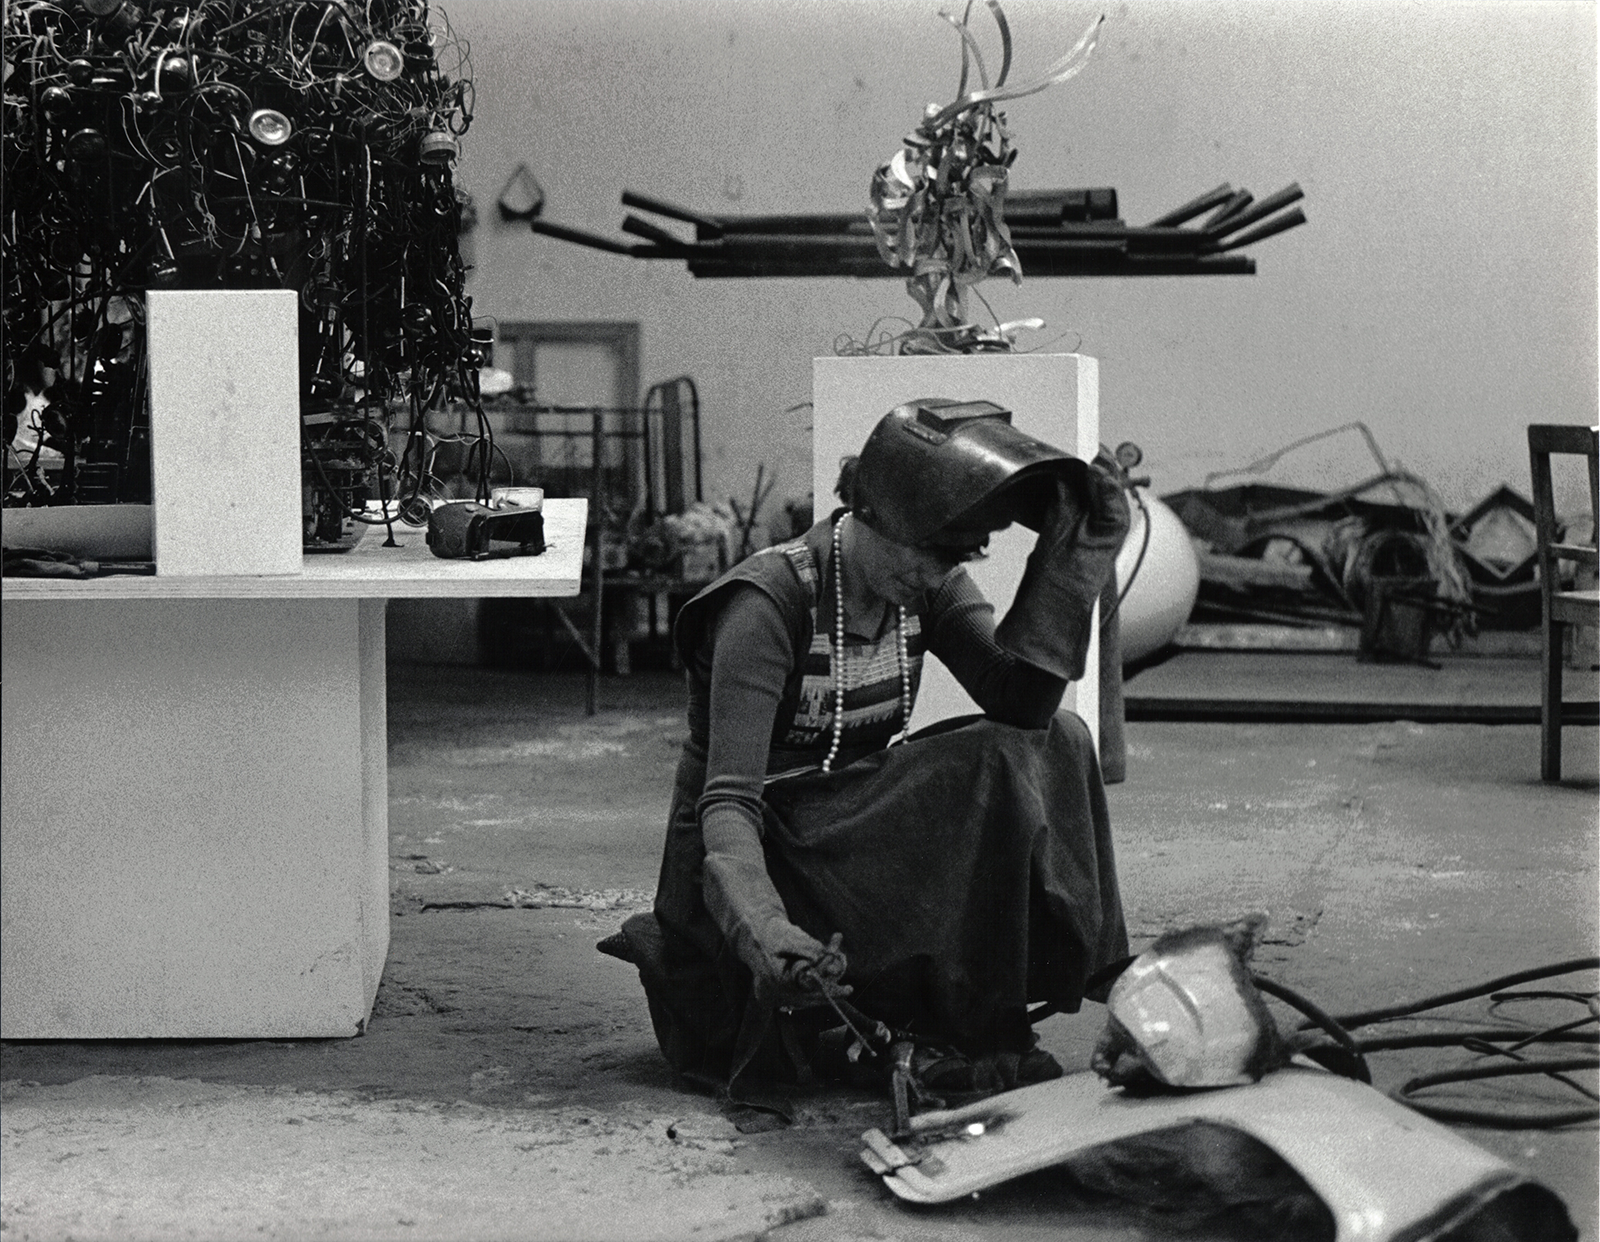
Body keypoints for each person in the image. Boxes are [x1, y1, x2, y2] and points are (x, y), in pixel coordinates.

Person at [600, 397, 1132, 1101]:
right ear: (873, 516)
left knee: (1060, 737)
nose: (938, 573)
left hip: (839, 840)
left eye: (957, 556)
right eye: (930, 553)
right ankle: (945, 1019)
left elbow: (1023, 709)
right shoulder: (769, 604)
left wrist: (1071, 566)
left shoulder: (925, 584)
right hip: (757, 861)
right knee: (986, 765)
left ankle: (1074, 993)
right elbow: (727, 803)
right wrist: (764, 927)